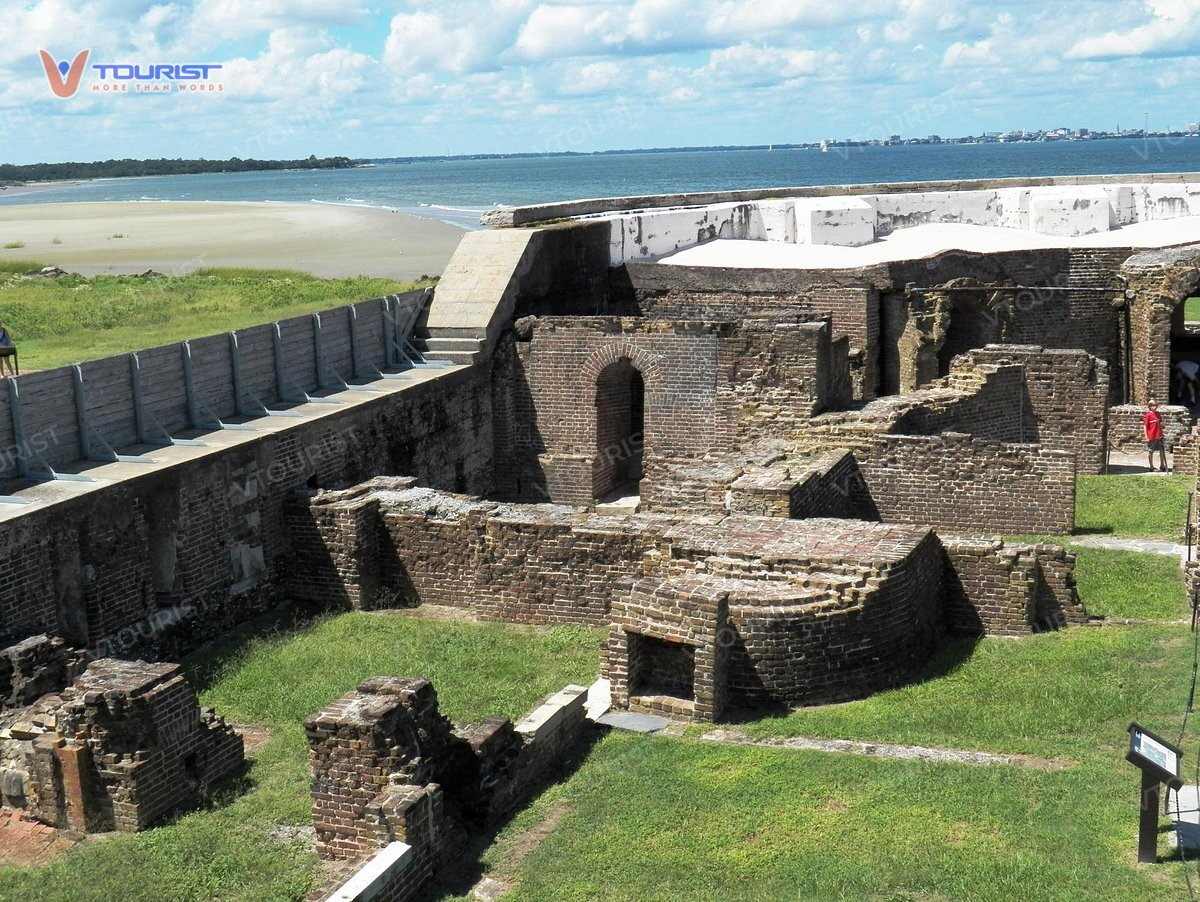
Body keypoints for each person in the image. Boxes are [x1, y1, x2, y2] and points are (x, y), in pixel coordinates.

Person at [1144, 399, 1169, 472]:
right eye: (1153, 406)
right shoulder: (1148, 415)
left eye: (1156, 405)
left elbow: (1160, 424)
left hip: (1159, 436)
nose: (1154, 407)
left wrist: (1162, 433)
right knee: (1150, 451)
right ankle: (1151, 466)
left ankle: (1162, 465)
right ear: (1150, 406)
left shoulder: (1158, 414)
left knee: (1161, 451)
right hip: (1152, 436)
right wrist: (1146, 436)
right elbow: (1145, 426)